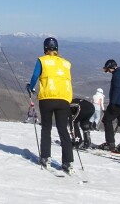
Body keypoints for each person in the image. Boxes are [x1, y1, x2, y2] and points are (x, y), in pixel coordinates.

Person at [26, 37, 74, 174]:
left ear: (45, 48)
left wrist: (30, 87)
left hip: (47, 98)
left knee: (46, 129)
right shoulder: (66, 63)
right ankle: (68, 162)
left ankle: (45, 157)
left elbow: (35, 76)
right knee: (63, 130)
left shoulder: (42, 60)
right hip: (64, 99)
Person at [99, 59, 120, 153]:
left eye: (109, 69)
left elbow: (116, 89)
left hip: (117, 103)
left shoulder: (117, 75)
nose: (108, 71)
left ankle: (110, 143)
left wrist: (112, 103)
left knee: (106, 120)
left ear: (112, 67)